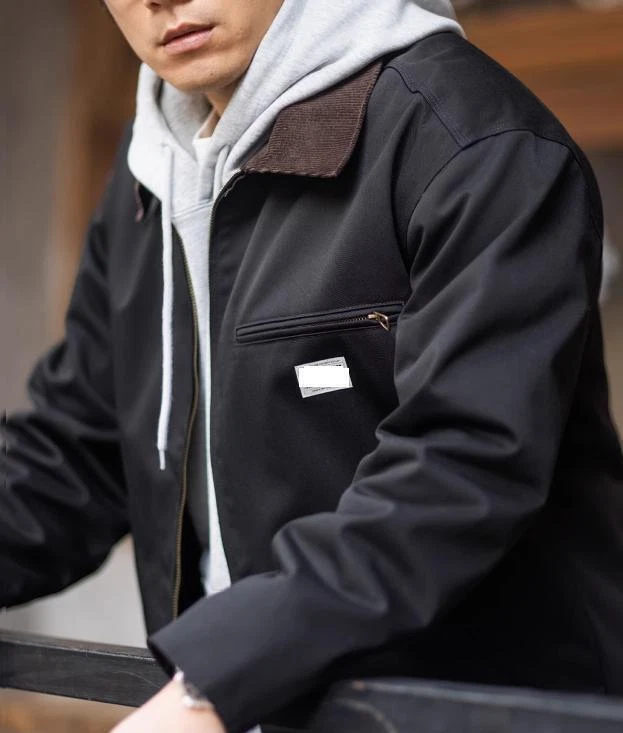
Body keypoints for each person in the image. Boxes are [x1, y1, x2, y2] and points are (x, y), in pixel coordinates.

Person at [2, 1, 623, 732]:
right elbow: (82, 447)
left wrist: (215, 683)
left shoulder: (473, 143)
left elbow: (460, 469)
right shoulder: (154, 168)